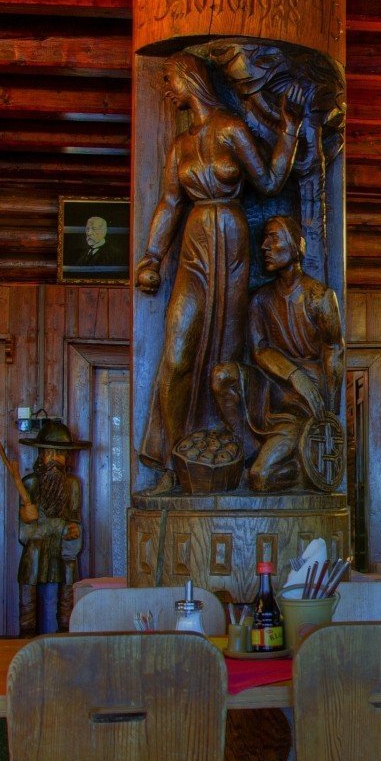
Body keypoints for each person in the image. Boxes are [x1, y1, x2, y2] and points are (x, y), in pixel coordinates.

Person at [133, 51, 309, 491]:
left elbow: (269, 181)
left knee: (227, 358)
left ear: (190, 79)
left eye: (171, 79)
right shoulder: (181, 146)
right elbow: (170, 204)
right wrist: (153, 256)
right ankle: (174, 465)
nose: (168, 89)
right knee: (176, 354)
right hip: (194, 246)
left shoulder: (231, 130)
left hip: (231, 244)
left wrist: (290, 128)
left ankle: (230, 459)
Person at [210, 215, 343, 492]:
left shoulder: (319, 297)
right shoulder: (260, 300)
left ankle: (298, 467)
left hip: (299, 407)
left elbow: (334, 350)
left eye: (273, 238)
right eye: (264, 239)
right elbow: (259, 350)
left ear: (295, 246)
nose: (265, 247)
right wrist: (294, 375)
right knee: (223, 376)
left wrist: (328, 413)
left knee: (260, 477)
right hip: (270, 388)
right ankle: (244, 450)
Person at [16, 419, 87, 634]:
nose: (54, 460)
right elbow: (24, 533)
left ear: (67, 458)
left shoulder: (72, 485)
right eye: (49, 453)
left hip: (63, 544)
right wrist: (26, 517)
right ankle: (27, 629)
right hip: (37, 543)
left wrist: (73, 530)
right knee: (32, 556)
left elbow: (74, 519)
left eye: (60, 454)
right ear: (41, 456)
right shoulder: (30, 483)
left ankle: (65, 627)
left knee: (69, 567)